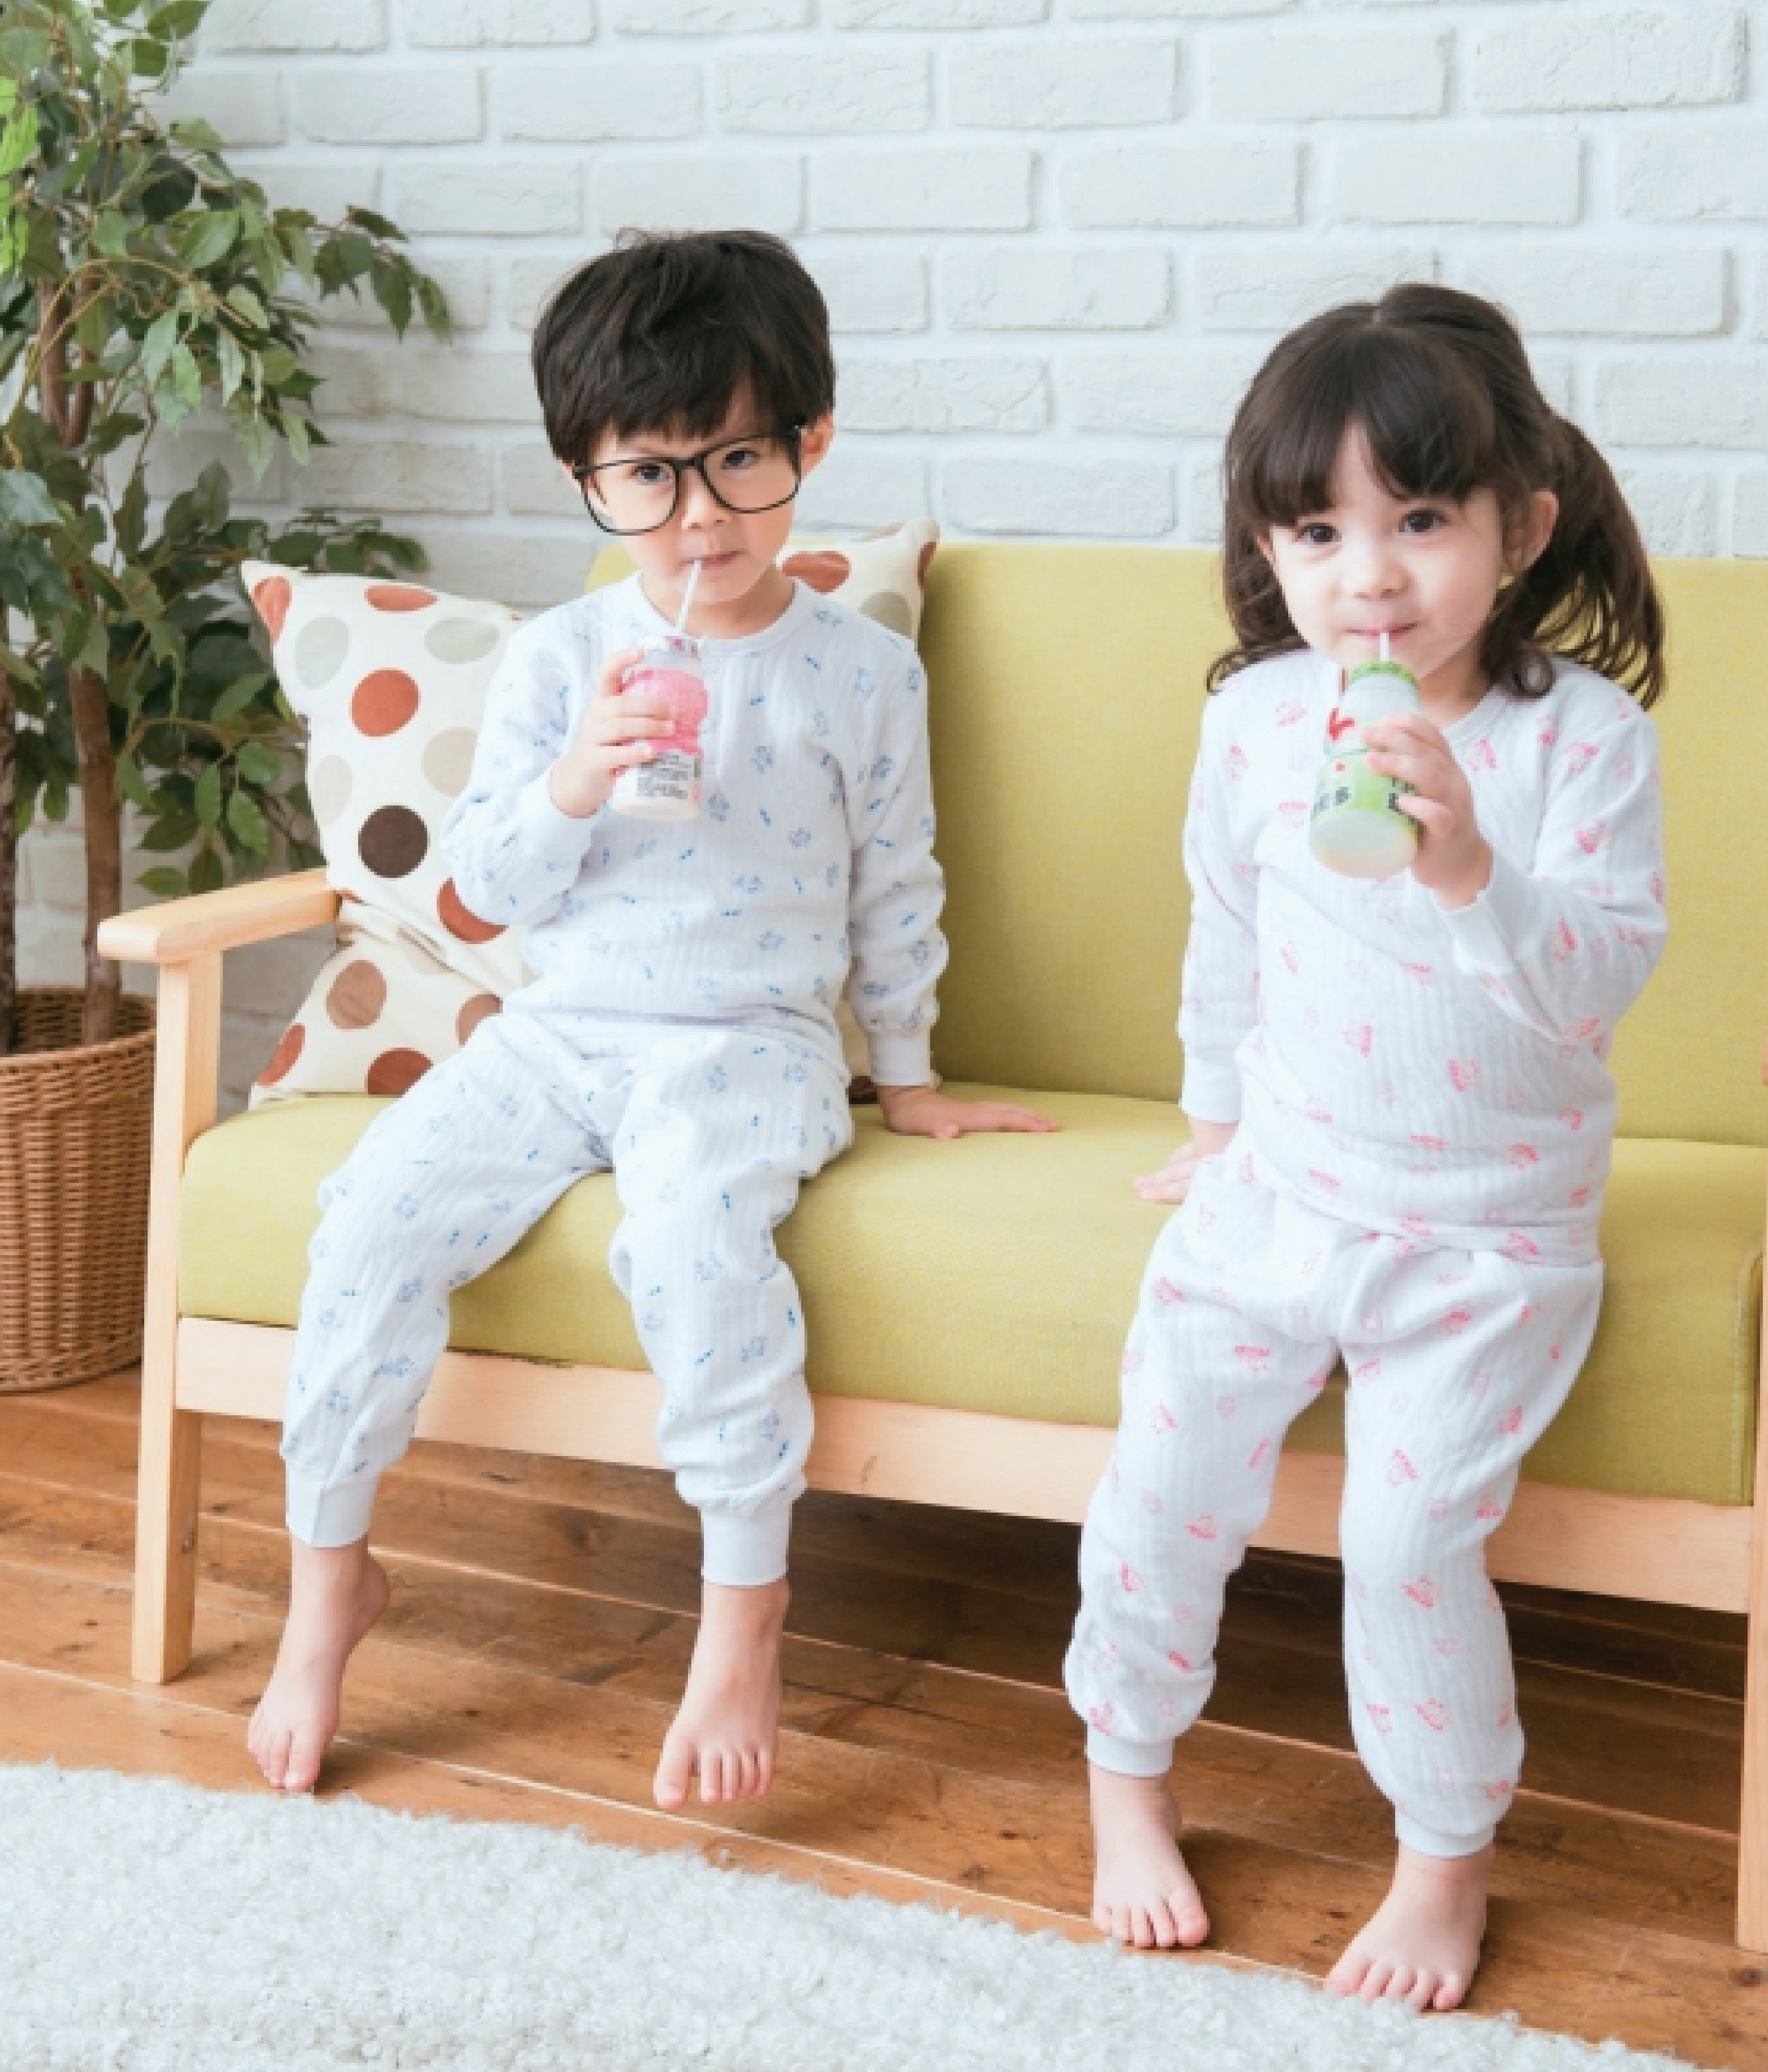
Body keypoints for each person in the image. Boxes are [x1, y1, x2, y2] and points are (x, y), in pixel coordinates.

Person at [248, 229, 1056, 1810]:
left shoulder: (860, 674)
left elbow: (900, 887)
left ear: (813, 442)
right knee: (369, 1217)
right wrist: (573, 780)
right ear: (587, 482)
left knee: (690, 1248)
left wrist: (909, 1075)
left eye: (739, 461)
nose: (699, 518)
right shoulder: (563, 658)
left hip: (747, 1045)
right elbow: (486, 891)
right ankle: (329, 1581)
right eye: (649, 477)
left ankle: (746, 1610)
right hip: (557, 1036)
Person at [1064, 284, 1667, 2012]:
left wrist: (1470, 864)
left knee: (1406, 1547)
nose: (1371, 576)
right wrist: (1214, 1129)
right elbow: (1229, 932)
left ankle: (1443, 1862)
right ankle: (1126, 1781)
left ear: (1519, 528)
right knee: (1159, 1490)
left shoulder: (1579, 741)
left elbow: (1601, 979)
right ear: (1269, 550)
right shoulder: (1259, 717)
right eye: (1318, 532)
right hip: (1286, 1195)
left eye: (1419, 520)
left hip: (1489, 1235)